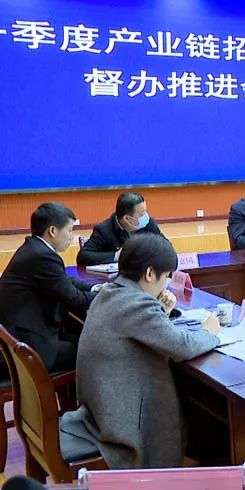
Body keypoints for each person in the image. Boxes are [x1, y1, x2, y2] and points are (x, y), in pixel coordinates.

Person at [60, 234, 221, 469]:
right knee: (205, 417)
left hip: (99, 408)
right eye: (166, 276)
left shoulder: (109, 292)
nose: (166, 284)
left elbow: (139, 332)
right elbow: (182, 346)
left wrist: (161, 311)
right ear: (149, 274)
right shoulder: (136, 304)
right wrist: (210, 332)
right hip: (118, 421)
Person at [0, 203, 99, 373]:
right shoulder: (43, 256)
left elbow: (64, 280)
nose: (71, 237)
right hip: (29, 347)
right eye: (70, 230)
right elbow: (75, 299)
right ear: (53, 231)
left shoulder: (33, 248)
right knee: (95, 350)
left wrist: (94, 288)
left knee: (80, 333)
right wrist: (107, 294)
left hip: (18, 335)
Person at [76, 191, 164, 266]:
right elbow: (83, 257)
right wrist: (117, 256)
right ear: (127, 218)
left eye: (145, 212)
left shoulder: (148, 224)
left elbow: (166, 247)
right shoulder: (104, 230)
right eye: (142, 214)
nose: (145, 216)